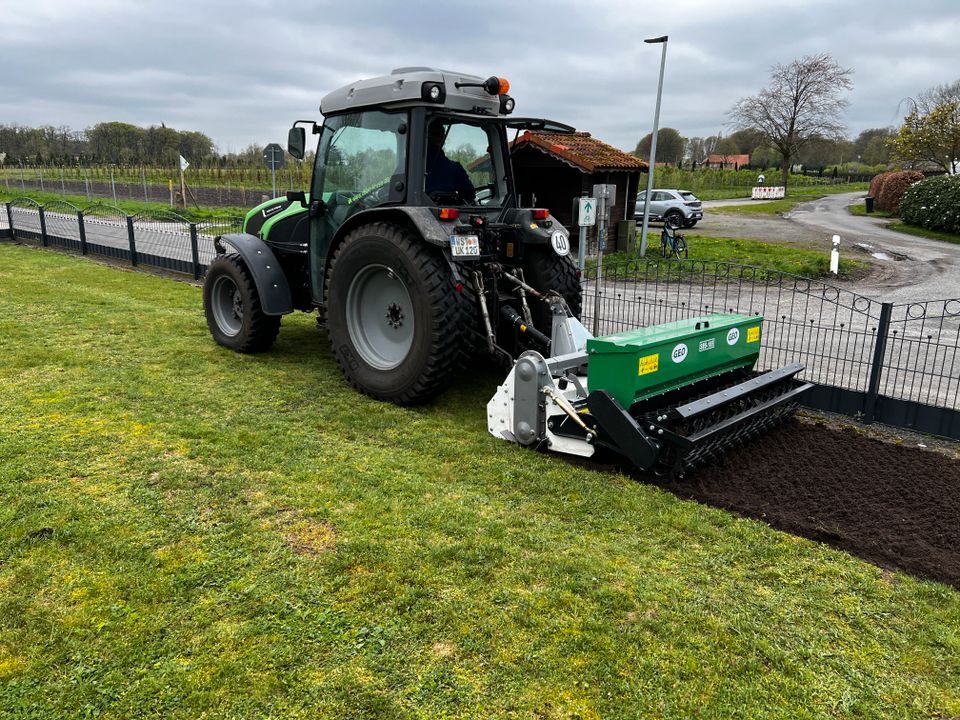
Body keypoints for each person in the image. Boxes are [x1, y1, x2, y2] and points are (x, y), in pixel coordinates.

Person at [425, 121, 476, 203]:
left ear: (425, 136)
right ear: (443, 139)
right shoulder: (455, 168)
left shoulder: (408, 167)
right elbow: (470, 194)